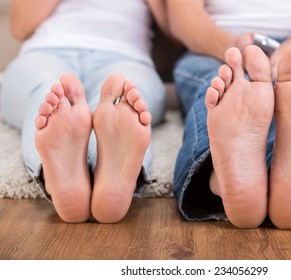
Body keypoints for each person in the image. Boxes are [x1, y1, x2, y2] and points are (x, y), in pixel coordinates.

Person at [167, 0, 291, 229]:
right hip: (217, 48)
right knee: (233, 89)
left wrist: (287, 54)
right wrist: (234, 47)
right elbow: (183, 19)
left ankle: (218, 175)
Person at [0, 0, 168, 224]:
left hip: (125, 56)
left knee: (124, 98)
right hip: (45, 51)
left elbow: (177, 30)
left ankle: (103, 171)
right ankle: (67, 172)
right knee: (49, 96)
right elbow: (20, 26)